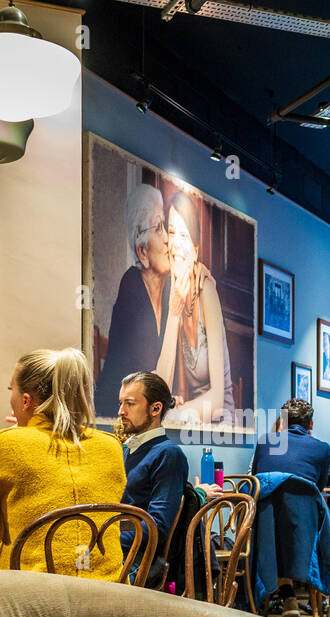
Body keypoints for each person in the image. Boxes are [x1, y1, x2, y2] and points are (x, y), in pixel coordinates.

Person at [0, 348, 127, 580]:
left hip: (31, 596)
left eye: (10, 390)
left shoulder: (8, 443)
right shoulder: (110, 446)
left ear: (25, 401)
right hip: (109, 594)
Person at [252, 399, 330, 617]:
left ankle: (288, 597)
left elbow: (259, 483)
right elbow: (317, 490)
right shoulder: (321, 449)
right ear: (310, 423)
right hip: (305, 529)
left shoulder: (264, 443)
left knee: (279, 534)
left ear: (282, 421)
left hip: (267, 529)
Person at [155, 190, 235, 425]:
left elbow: (218, 399)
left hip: (221, 416)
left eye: (183, 234)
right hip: (194, 417)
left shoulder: (207, 291)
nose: (175, 244)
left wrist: (176, 412)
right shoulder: (174, 294)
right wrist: (174, 313)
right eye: (171, 232)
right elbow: (166, 386)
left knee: (166, 420)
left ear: (196, 248)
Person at [94, 184, 171, 418]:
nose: (167, 238)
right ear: (142, 251)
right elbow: (146, 371)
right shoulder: (132, 286)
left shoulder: (167, 291)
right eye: (158, 228)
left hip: (144, 411)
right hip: (117, 414)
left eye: (165, 226)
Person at [117, 370, 189, 585]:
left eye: (130, 404)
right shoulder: (126, 450)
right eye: (120, 403)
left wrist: (106, 537)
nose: (121, 411)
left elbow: (157, 525)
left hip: (139, 558)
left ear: (155, 408)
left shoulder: (168, 454)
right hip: (116, 547)